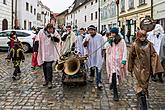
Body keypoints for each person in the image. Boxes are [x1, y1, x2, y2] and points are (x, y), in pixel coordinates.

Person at [128, 30, 164, 109]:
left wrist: (155, 62)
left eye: (144, 36)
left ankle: (140, 94)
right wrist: (130, 68)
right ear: (138, 36)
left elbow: (153, 54)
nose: (142, 38)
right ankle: (143, 103)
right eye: (141, 36)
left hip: (147, 67)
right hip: (138, 67)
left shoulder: (149, 44)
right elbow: (131, 57)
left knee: (145, 84)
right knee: (142, 82)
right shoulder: (134, 45)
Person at [35, 23, 60, 89]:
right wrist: (35, 50)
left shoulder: (55, 32)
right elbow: (37, 40)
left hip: (51, 53)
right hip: (43, 52)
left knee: (49, 67)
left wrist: (53, 37)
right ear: (47, 28)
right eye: (49, 29)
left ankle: (50, 82)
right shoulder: (41, 32)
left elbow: (58, 40)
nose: (50, 30)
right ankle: (46, 80)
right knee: (44, 67)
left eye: (51, 29)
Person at [105, 27, 127, 101]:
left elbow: (125, 51)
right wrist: (109, 42)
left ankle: (113, 84)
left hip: (119, 61)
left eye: (113, 33)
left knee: (118, 75)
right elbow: (106, 49)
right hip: (112, 61)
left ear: (116, 33)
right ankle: (115, 93)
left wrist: (124, 60)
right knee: (113, 75)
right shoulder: (110, 40)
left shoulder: (122, 41)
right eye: (111, 33)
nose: (112, 34)